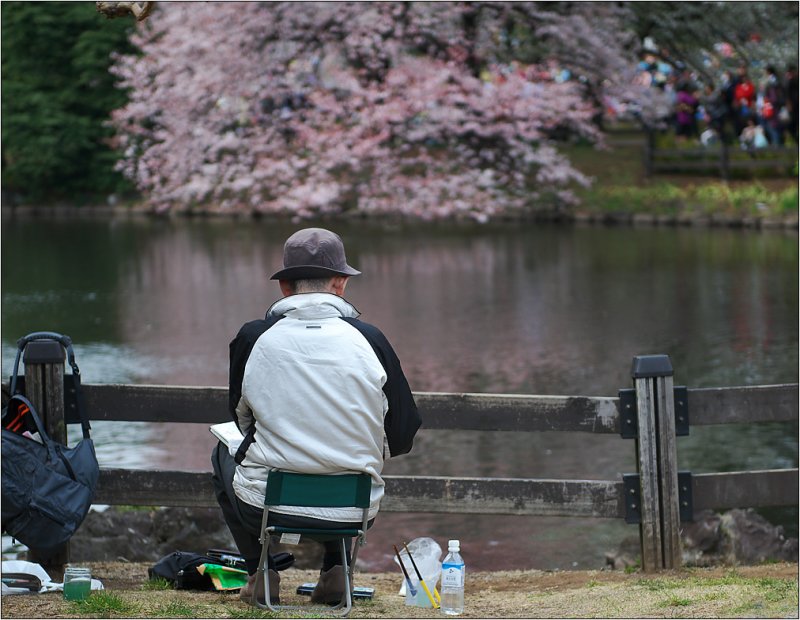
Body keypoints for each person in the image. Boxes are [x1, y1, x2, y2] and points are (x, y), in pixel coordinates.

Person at [212, 227, 421, 606]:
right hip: (353, 506)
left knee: (222, 451)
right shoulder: (370, 339)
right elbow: (404, 432)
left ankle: (262, 574)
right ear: (341, 284)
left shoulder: (254, 337)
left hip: (266, 503)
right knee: (347, 450)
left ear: (284, 288)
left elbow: (241, 418)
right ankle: (336, 573)